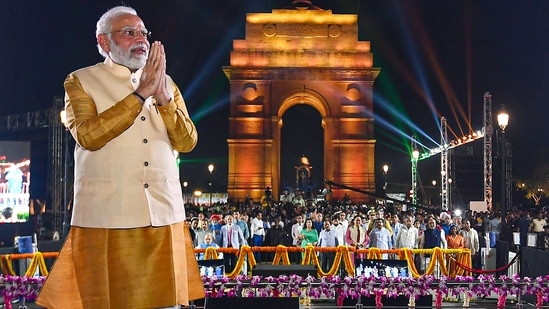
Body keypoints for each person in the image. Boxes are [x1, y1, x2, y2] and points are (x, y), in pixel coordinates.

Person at [36, 6, 201, 309]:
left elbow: (188, 141)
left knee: (167, 303)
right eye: (129, 32)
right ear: (103, 42)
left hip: (164, 215)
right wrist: (139, 96)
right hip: (108, 216)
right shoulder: (81, 81)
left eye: (143, 33)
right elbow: (89, 135)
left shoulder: (168, 84)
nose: (140, 39)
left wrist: (163, 99)